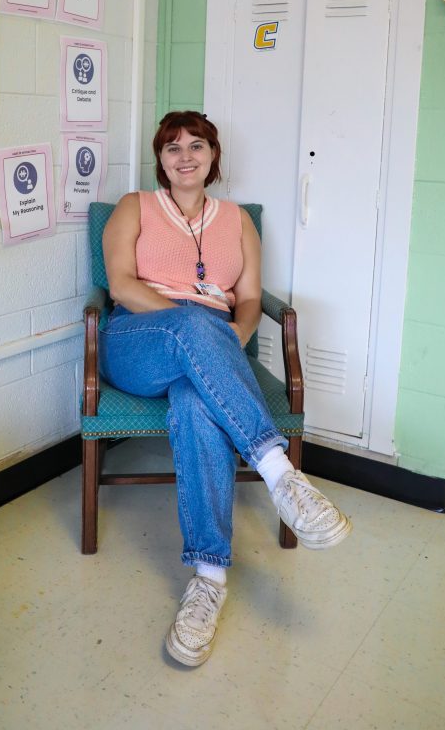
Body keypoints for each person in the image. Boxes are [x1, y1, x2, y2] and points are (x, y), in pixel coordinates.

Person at [99, 111, 352, 667]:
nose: (184, 156)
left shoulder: (237, 219)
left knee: (195, 403)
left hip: (210, 348)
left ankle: (208, 579)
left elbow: (251, 298)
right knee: (192, 324)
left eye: (197, 146)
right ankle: (282, 476)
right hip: (138, 340)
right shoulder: (132, 207)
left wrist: (231, 335)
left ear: (214, 156)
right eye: (172, 148)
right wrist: (203, 327)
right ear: (159, 159)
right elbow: (120, 284)